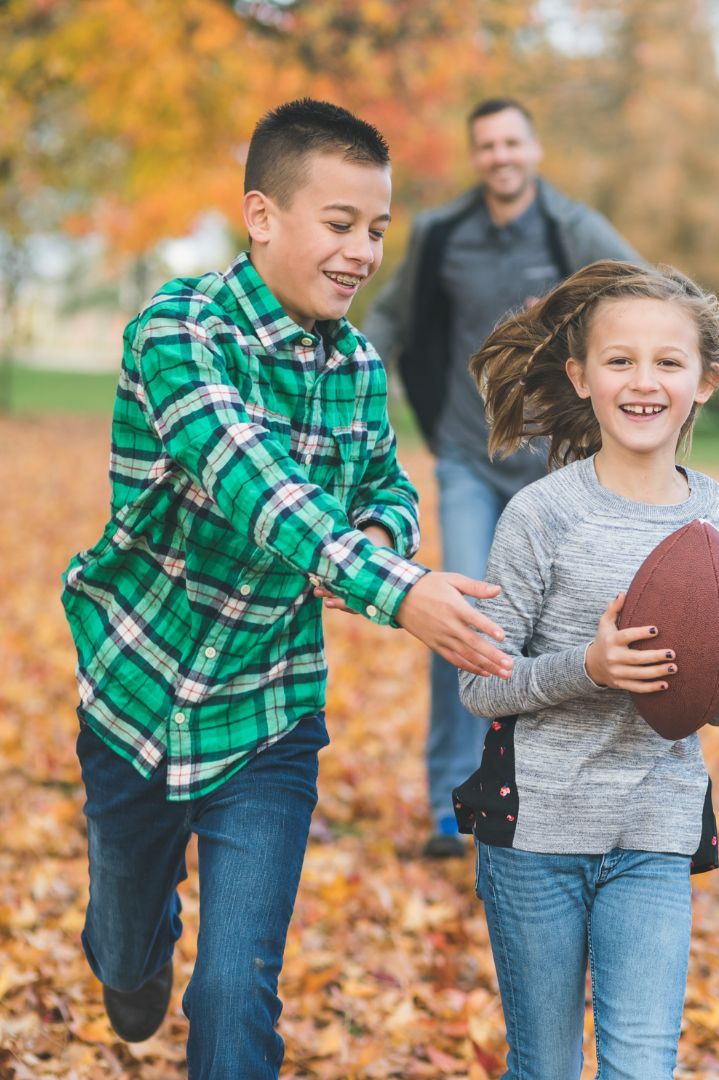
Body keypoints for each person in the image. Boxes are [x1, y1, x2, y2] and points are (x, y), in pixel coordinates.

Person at [60, 99, 513, 1078]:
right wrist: (397, 589)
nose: (362, 252)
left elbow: (385, 485)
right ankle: (128, 950)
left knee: (234, 991)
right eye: (340, 224)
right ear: (262, 216)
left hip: (267, 715)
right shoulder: (179, 330)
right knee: (131, 964)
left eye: (378, 231)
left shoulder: (353, 365)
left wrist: (381, 540)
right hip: (139, 694)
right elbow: (246, 477)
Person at [451, 260, 719, 1077]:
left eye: (669, 362)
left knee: (641, 1067)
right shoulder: (542, 514)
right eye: (619, 360)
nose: (644, 381)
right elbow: (480, 681)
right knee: (547, 1066)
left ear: (706, 381)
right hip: (536, 835)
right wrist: (589, 668)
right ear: (581, 376)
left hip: (654, 834)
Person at [363, 97, 643, 857]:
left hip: (555, 469)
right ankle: (451, 805)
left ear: (534, 147)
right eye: (486, 145)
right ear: (475, 155)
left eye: (512, 142)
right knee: (462, 619)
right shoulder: (442, 234)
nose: (500, 156)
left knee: (565, 624)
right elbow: (390, 320)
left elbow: (645, 293)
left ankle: (552, 791)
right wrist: (340, 369)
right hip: (468, 457)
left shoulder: (571, 228)